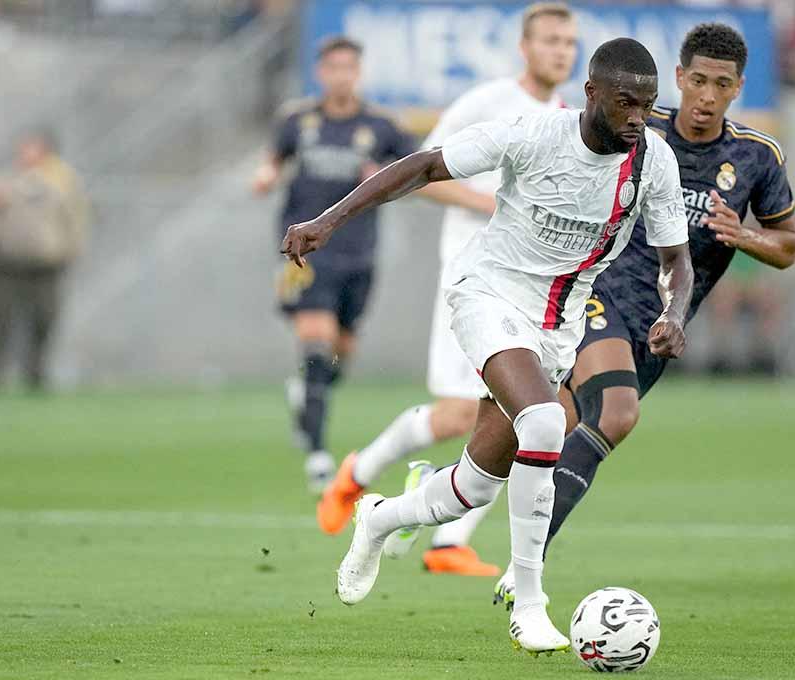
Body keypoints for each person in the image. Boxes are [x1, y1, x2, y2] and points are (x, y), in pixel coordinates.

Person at [281, 37, 692, 654]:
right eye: (625, 102)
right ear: (592, 95)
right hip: (488, 295)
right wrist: (327, 221)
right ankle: (529, 602)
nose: (637, 116)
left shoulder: (653, 161)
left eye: (647, 104)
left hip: (559, 326)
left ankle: (380, 518)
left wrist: (674, 312)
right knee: (547, 420)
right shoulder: (533, 134)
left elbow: (676, 260)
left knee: (474, 486)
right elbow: (421, 167)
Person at [492, 22, 795, 605]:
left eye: (723, 85)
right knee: (616, 413)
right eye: (699, 80)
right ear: (679, 78)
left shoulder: (756, 159)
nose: (707, 96)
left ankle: (428, 502)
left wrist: (744, 236)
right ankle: (524, 570)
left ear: (738, 89)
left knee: (540, 437)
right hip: (594, 293)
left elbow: (788, 244)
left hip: (662, 326)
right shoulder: (635, 127)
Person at [314, 1, 578, 578]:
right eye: (550, 40)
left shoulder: (565, 117)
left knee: (524, 413)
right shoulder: (488, 102)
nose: (561, 50)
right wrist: (491, 202)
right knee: (467, 413)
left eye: (568, 41)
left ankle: (446, 541)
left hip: (528, 288)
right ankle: (360, 476)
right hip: (473, 279)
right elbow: (421, 173)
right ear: (525, 47)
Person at [251, 36, 414, 494]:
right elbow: (273, 160)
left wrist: (384, 177)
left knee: (341, 353)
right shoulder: (296, 120)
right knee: (318, 345)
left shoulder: (382, 126)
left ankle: (307, 391)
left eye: (349, 68)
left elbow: (413, 169)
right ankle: (318, 455)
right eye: (333, 67)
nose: (341, 75)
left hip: (358, 254)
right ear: (321, 72)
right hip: (303, 254)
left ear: (358, 73)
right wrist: (265, 176)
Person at [0, 128, 89, 390]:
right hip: (9, 262)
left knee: (44, 319)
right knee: (1, 320)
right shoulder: (6, 180)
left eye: (33, 148)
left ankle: (36, 375)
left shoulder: (62, 181)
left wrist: (70, 250)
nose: (27, 154)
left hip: (46, 263)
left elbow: (75, 219)